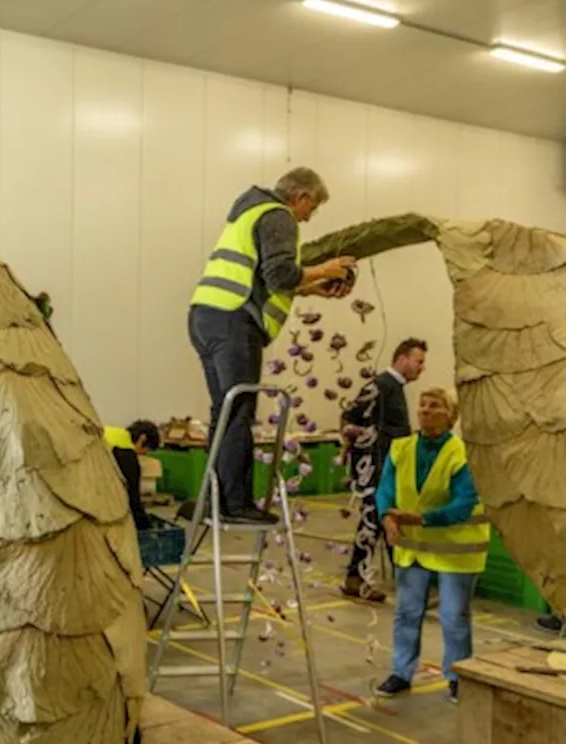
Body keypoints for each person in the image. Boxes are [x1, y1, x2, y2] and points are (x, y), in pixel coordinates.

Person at [188, 167, 356, 524]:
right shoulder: (278, 216)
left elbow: (266, 279)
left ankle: (214, 498)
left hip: (207, 315)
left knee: (225, 409)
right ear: (302, 197)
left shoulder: (248, 211)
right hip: (234, 319)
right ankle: (236, 504)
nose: (309, 217)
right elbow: (279, 274)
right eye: (312, 208)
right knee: (239, 410)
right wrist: (324, 270)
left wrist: (311, 288)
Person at [374, 388, 489, 704]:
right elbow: (385, 489)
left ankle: (456, 677)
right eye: (422, 405)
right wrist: (387, 518)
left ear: (451, 416)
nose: (425, 410)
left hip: (456, 551)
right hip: (413, 550)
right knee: (406, 613)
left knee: (454, 617)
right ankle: (401, 672)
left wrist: (417, 519)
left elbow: (463, 504)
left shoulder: (462, 454)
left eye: (435, 406)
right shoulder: (401, 448)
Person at [340, 338, 429, 602]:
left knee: (374, 522)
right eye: (419, 361)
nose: (422, 368)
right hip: (376, 468)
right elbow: (350, 416)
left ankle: (356, 579)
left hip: (386, 467)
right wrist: (355, 448)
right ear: (402, 359)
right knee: (379, 519)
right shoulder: (380, 386)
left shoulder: (393, 388)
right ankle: (387, 580)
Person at [106, 424, 156, 533]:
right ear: (143, 438)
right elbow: (133, 499)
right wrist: (147, 528)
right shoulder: (126, 453)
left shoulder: (112, 433)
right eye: (146, 451)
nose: (143, 455)